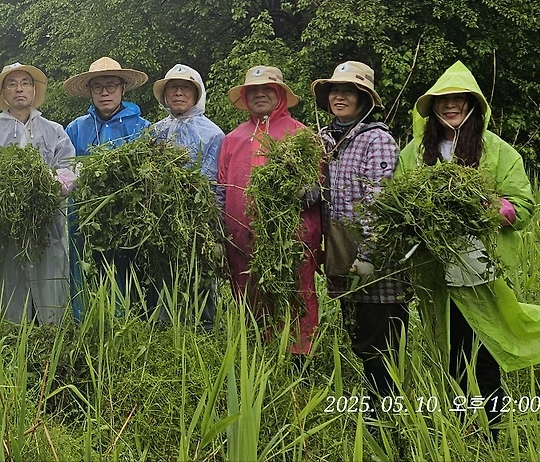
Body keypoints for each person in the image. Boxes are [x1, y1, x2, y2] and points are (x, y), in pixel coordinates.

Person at [398, 61, 540, 431]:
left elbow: (522, 207)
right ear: (432, 106)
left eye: (459, 99)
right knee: (449, 349)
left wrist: (492, 207)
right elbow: (400, 200)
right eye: (443, 100)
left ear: (473, 104)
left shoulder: (496, 151)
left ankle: (493, 426)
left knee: (485, 347)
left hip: (482, 269)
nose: (451, 105)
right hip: (435, 271)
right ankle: (461, 424)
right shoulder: (415, 153)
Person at [311, 62, 404, 405]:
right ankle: (373, 403)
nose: (340, 97)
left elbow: (378, 199)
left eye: (348, 91)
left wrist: (368, 253)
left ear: (364, 99)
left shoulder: (377, 140)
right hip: (340, 251)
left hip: (374, 256)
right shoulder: (324, 139)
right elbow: (322, 191)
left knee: (381, 336)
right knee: (358, 332)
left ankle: (386, 410)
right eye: (335, 91)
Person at [216, 66, 321, 357]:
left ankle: (299, 357)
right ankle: (257, 356)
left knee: (296, 294)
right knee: (249, 294)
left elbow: (319, 185)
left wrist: (306, 192)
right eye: (253, 90)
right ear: (245, 96)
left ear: (280, 95)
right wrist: (219, 231)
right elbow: (222, 187)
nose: (260, 94)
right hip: (242, 238)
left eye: (267, 89)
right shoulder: (233, 139)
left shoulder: (301, 135)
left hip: (291, 238)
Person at [0, 63, 76, 325]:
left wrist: (47, 187)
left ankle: (52, 335)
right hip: (9, 225)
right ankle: (12, 338)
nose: (19, 89)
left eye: (25, 83)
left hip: (47, 223)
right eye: (12, 84)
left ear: (34, 90)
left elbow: (68, 170)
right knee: (11, 284)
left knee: (50, 282)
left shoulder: (53, 130)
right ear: (4, 93)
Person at [63, 57, 150, 320]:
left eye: (111, 86)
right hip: (84, 216)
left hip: (128, 215)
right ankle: (85, 322)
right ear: (90, 91)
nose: (105, 93)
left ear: (122, 88)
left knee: (127, 268)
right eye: (98, 87)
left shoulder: (141, 128)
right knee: (84, 267)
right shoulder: (76, 128)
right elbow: (65, 169)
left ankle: (128, 323)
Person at [147, 63, 226, 328]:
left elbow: (217, 183)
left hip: (200, 217)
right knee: (165, 273)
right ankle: (166, 330)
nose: (178, 93)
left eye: (185, 88)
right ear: (165, 95)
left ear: (196, 94)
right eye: (173, 88)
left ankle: (205, 329)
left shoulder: (213, 133)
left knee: (200, 274)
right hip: (163, 217)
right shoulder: (156, 132)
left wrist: (216, 228)